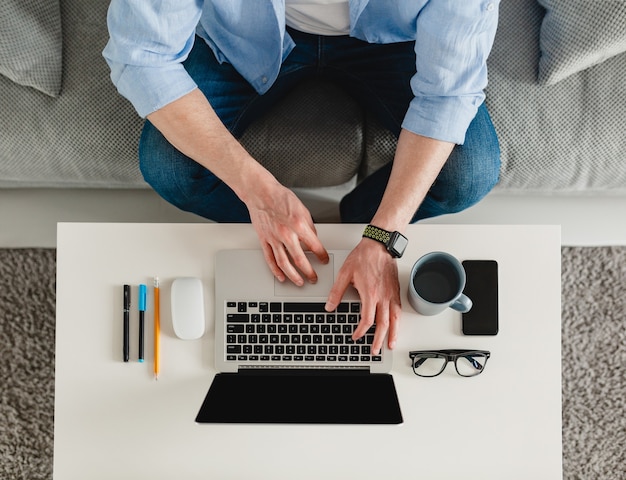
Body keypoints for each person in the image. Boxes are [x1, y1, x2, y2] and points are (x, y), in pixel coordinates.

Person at [103, 0, 501, 356]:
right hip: (247, 34)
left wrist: (383, 234)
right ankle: (281, 239)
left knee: (469, 172)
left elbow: (448, 94)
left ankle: (352, 228)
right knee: (168, 167)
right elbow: (142, 55)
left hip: (392, 40)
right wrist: (259, 192)